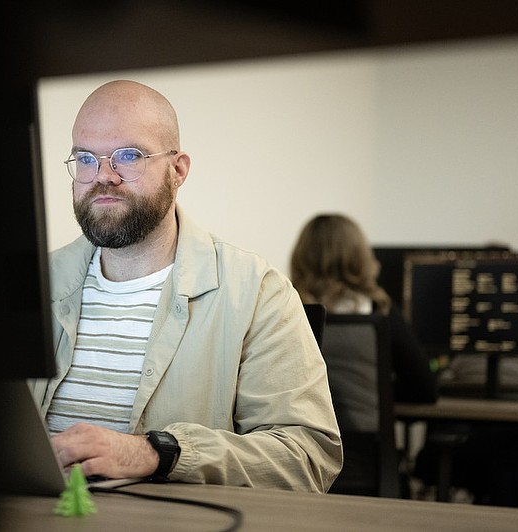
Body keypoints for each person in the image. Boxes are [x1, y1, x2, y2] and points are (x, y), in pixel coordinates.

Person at [31, 80, 342, 491]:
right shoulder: (32, 284)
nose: (103, 176)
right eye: (86, 158)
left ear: (178, 171)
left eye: (129, 156)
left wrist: (156, 453)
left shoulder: (256, 292)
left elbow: (307, 457)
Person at [289, 213, 439, 404]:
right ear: (360, 257)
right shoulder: (379, 310)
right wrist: (378, 391)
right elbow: (425, 388)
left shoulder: (289, 312)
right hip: (366, 422)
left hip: (306, 423)